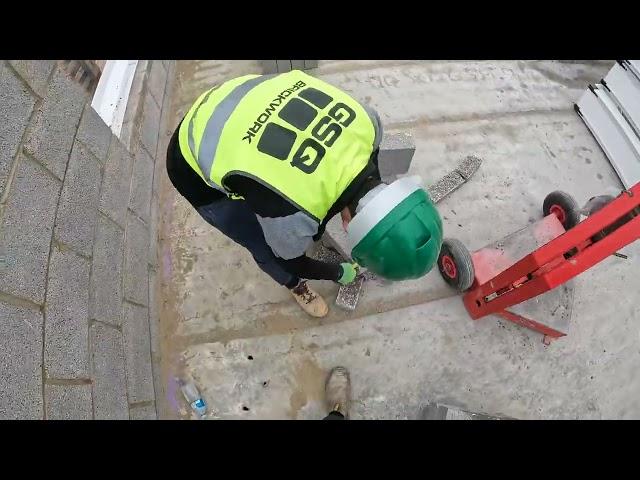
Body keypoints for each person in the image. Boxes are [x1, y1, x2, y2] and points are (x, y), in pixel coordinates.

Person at [166, 69, 442, 318]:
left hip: (237, 96)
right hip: (191, 153)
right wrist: (338, 273)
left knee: (272, 211)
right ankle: (295, 288)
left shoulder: (369, 124)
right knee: (263, 245)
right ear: (349, 226)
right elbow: (292, 260)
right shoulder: (292, 212)